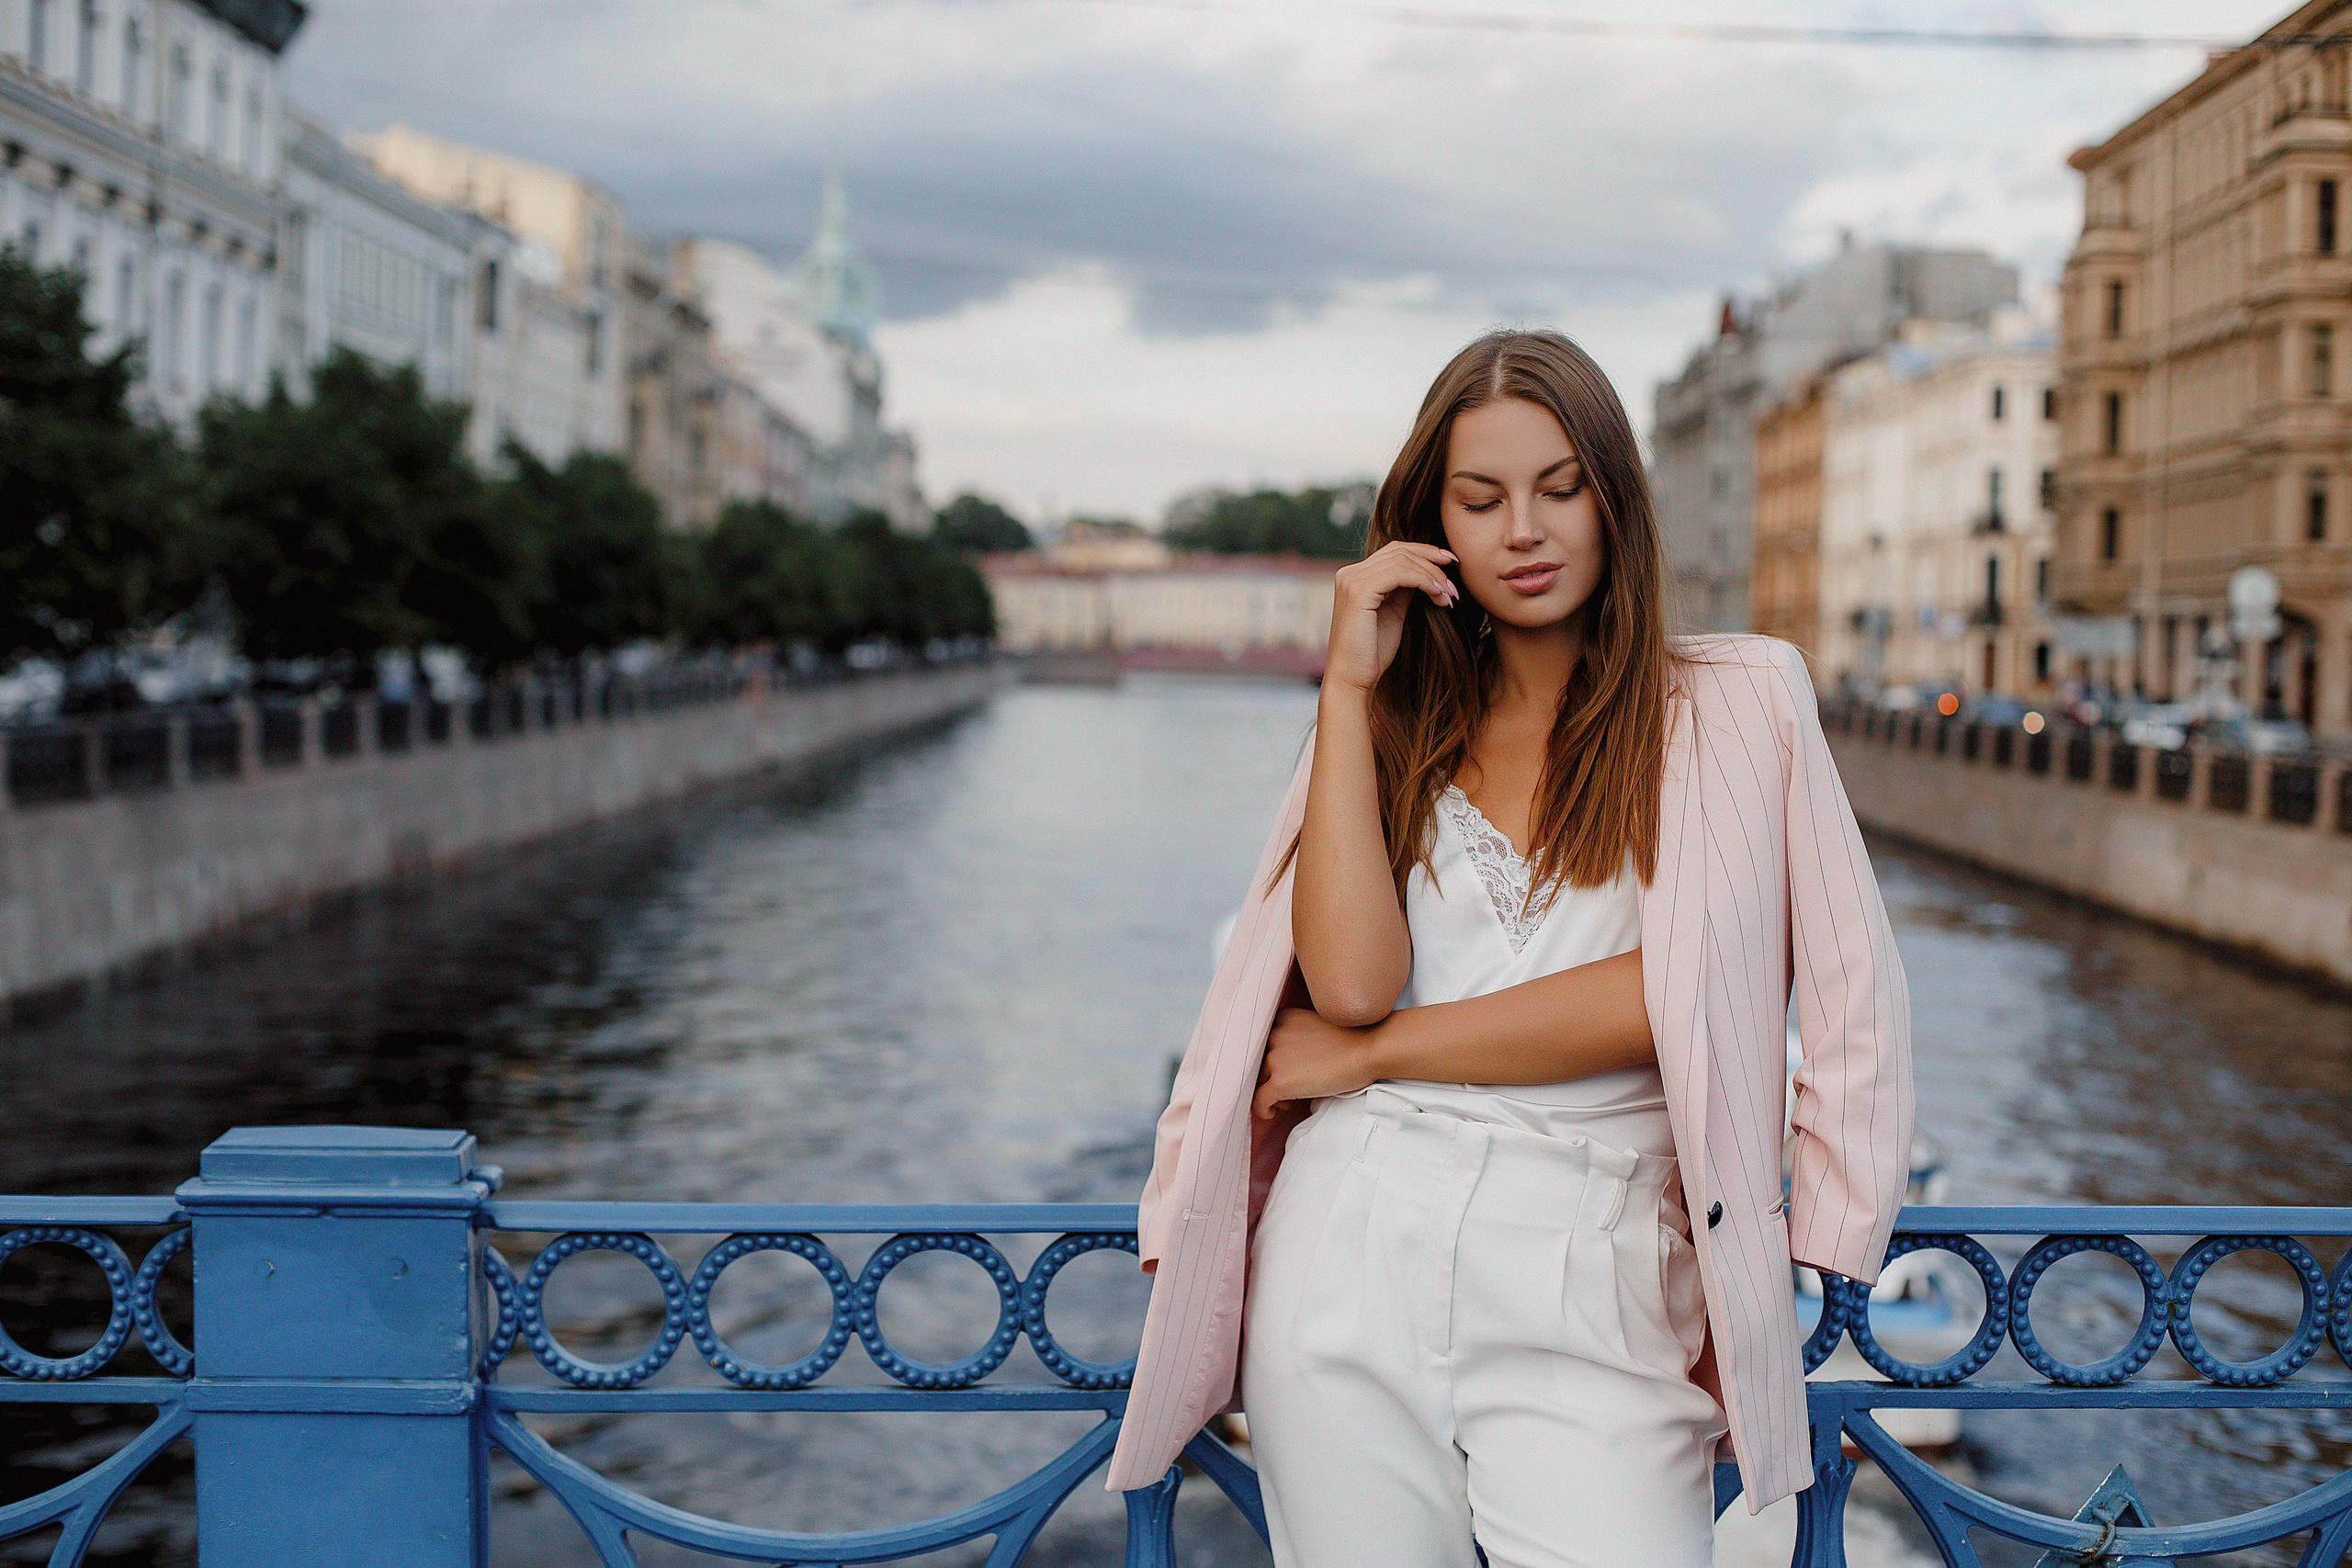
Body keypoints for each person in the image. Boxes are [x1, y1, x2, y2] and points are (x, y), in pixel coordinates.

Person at [1103, 329, 1914, 1568]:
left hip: (1603, 1273)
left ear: (1614, 496)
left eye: (1559, 486)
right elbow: (1355, 982)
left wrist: (1371, 1060)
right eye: (1480, 500)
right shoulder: (1396, 724)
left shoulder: (1744, 703)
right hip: (1348, 1255)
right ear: (1433, 528)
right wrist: (1346, 691)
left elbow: (1709, 994)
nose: (1523, 530)